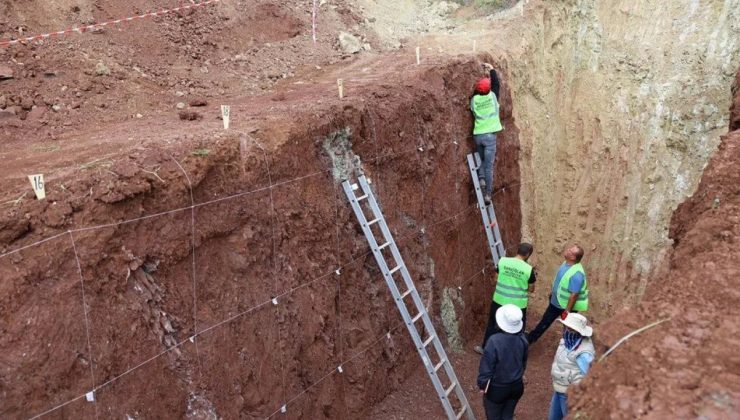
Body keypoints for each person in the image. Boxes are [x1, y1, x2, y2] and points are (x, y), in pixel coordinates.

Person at [475, 243, 536, 354]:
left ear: (518, 250)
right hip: (518, 304)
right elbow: (531, 289)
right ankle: (516, 352)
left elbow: (495, 279)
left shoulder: (503, 261)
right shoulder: (528, 269)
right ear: (528, 254)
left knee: (493, 324)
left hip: (499, 300)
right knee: (518, 328)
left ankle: (485, 348)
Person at [526, 244, 588, 344]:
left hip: (564, 307)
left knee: (567, 328)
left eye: (570, 251)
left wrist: (567, 311)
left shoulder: (577, 274)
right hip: (556, 302)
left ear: (573, 257)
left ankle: (569, 346)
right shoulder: (566, 263)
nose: (567, 250)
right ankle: (530, 339)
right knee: (544, 322)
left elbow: (574, 295)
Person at [477, 304, 529, 420]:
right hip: (516, 387)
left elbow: (486, 368)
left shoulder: (494, 341)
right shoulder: (523, 340)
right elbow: (523, 363)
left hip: (497, 389)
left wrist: (482, 385)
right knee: (507, 415)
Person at [548, 313, 595, 420]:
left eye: (570, 329)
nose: (566, 331)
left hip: (569, 394)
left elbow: (591, 377)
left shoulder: (584, 354)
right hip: (559, 388)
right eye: (565, 327)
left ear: (579, 332)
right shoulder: (566, 342)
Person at [471, 62, 504, 204]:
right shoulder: (493, 97)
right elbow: (496, 85)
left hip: (478, 136)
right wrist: (491, 71)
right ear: (489, 90)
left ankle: (482, 179)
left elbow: (476, 95)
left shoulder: (474, 100)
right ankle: (488, 195)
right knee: (489, 165)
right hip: (490, 136)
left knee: (483, 159)